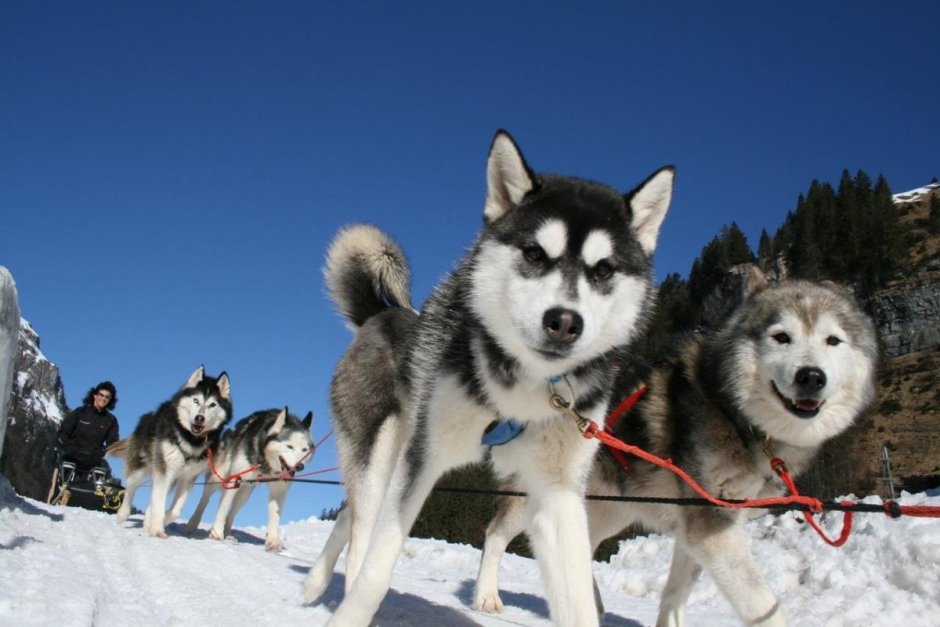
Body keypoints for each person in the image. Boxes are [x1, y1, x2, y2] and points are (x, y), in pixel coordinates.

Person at [57, 381, 120, 471]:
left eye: (107, 397)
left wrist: (101, 452)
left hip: (93, 461)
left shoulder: (111, 420)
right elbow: (62, 433)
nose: (103, 398)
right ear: (95, 395)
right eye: (101, 395)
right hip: (72, 457)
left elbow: (113, 444)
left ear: (110, 400)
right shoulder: (79, 413)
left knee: (105, 472)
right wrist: (70, 448)